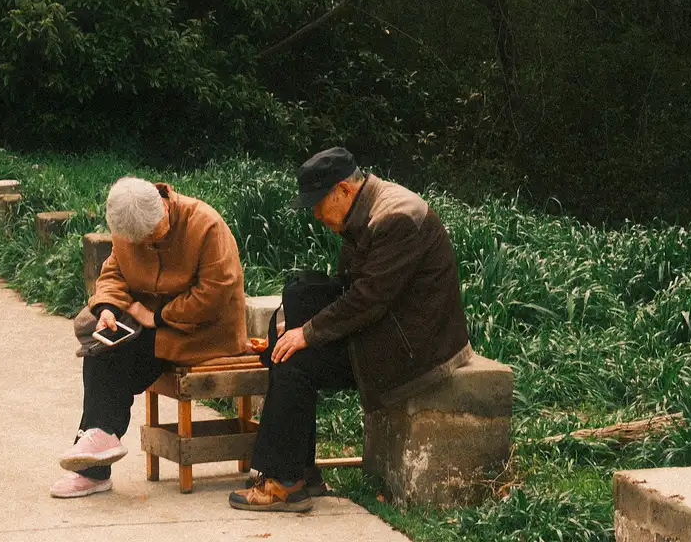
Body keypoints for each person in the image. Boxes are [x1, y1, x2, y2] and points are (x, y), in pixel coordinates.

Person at [232, 147, 472, 513]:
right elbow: (349, 287)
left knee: (297, 361)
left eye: (318, 202)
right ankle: (299, 473)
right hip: (394, 328)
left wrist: (307, 333)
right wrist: (294, 324)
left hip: (417, 347)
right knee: (287, 347)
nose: (314, 213)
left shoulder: (395, 219)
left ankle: (284, 481)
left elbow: (367, 300)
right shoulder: (364, 211)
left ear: (343, 189)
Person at [52, 177, 247, 498]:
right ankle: (98, 443)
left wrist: (157, 316)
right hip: (151, 323)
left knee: (117, 360)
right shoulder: (130, 225)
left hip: (203, 331)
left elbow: (215, 294)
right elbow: (113, 272)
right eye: (138, 239)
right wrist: (108, 307)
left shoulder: (206, 225)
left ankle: (93, 463)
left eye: (154, 234)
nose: (146, 242)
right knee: (101, 346)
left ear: (165, 206)